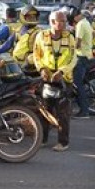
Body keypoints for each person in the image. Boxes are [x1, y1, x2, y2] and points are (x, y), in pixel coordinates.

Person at [33, 9, 76, 151]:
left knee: (63, 113)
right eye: (61, 21)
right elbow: (36, 56)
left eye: (64, 21)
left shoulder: (69, 37)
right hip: (46, 79)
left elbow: (73, 58)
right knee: (44, 111)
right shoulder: (41, 36)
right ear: (52, 22)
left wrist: (62, 71)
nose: (64, 24)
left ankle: (63, 142)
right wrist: (41, 69)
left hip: (64, 80)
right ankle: (42, 139)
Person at [68, 6, 93, 119]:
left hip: (81, 56)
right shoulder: (86, 22)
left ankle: (84, 111)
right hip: (86, 55)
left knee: (78, 84)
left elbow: (77, 44)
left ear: (75, 16)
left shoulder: (80, 25)